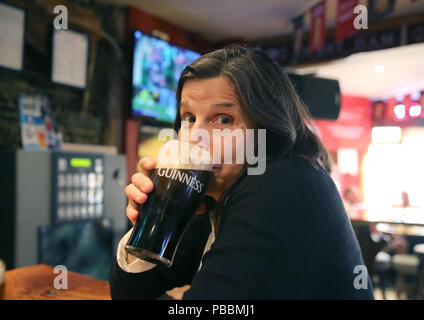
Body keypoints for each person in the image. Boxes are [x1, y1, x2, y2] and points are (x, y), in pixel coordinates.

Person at [109, 45, 374, 299]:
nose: (193, 139)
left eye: (223, 119)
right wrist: (151, 220)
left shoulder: (284, 184)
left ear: (266, 131)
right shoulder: (210, 193)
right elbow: (127, 295)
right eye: (188, 117)